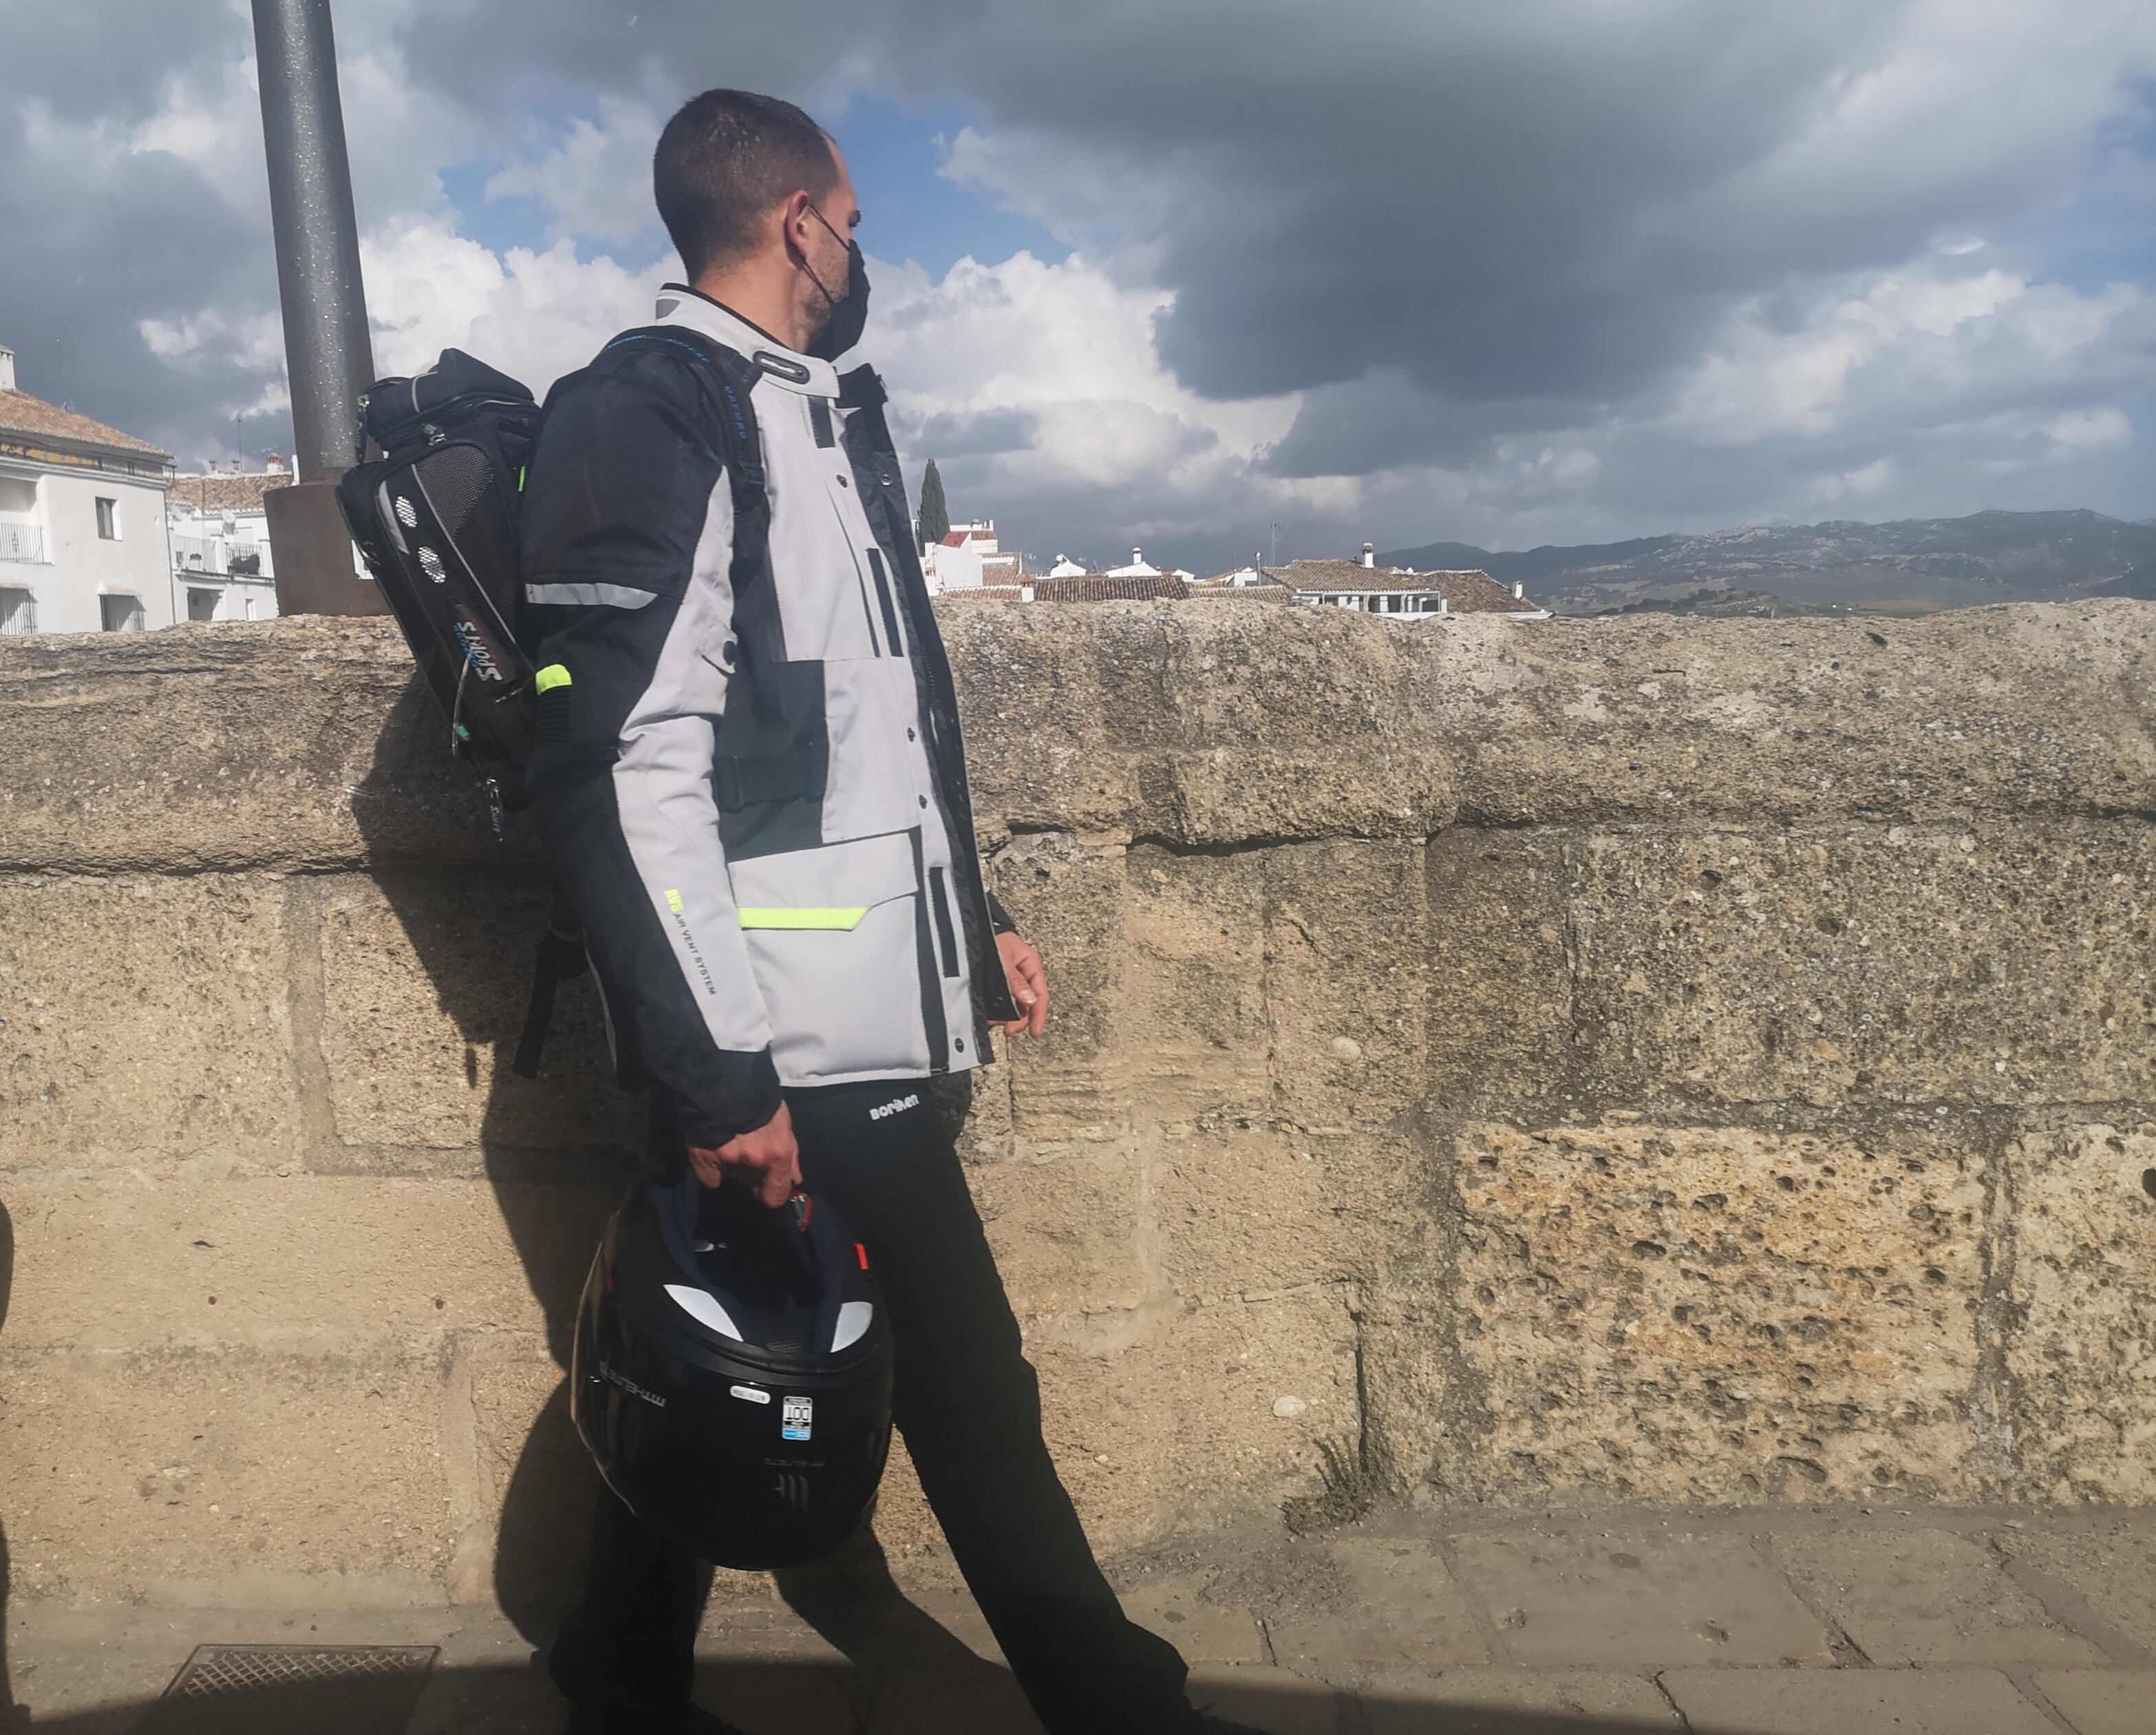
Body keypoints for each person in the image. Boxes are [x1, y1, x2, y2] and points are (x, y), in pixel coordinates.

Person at [519, 89, 1266, 1735]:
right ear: (799, 223)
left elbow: (868, 735)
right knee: (967, 1385)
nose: (860, 256)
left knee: (707, 1332)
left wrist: (968, 924)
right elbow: (624, 763)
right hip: (791, 1032)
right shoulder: (660, 409)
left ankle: (616, 1679)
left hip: (834, 1003)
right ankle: (1119, 1705)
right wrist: (722, 1077)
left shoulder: (800, 411)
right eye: (852, 224)